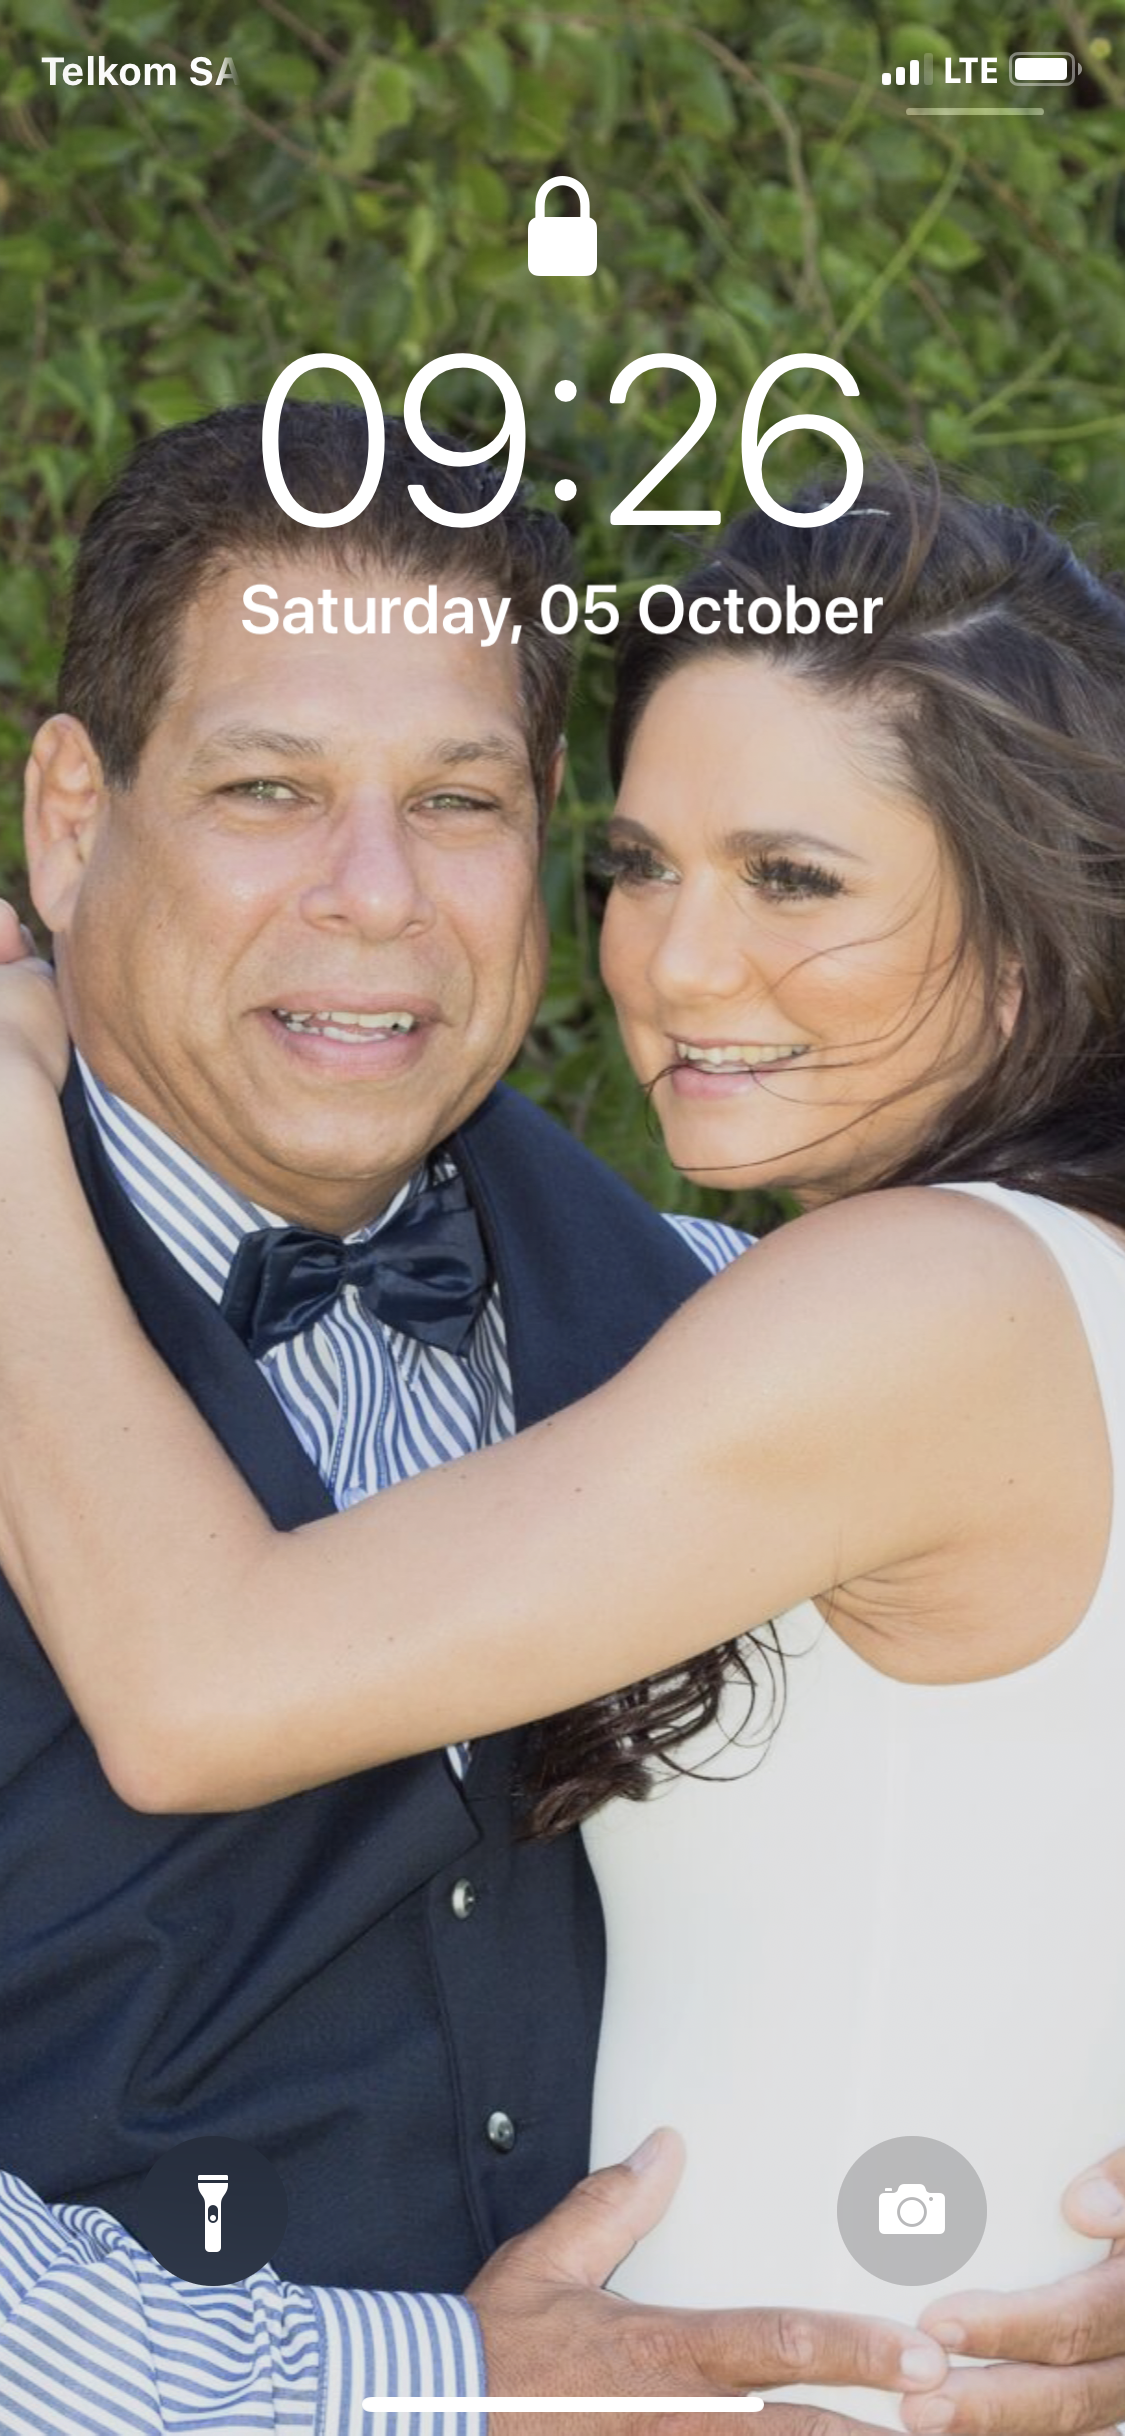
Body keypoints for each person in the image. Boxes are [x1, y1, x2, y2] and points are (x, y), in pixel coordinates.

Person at [2, 450, 1125, 2436]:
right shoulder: (761, 1324)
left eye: (459, 804)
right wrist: (405, 2382)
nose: (374, 895)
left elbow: (199, 1685)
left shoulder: (778, 1323)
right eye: (269, 791)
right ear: (75, 822)